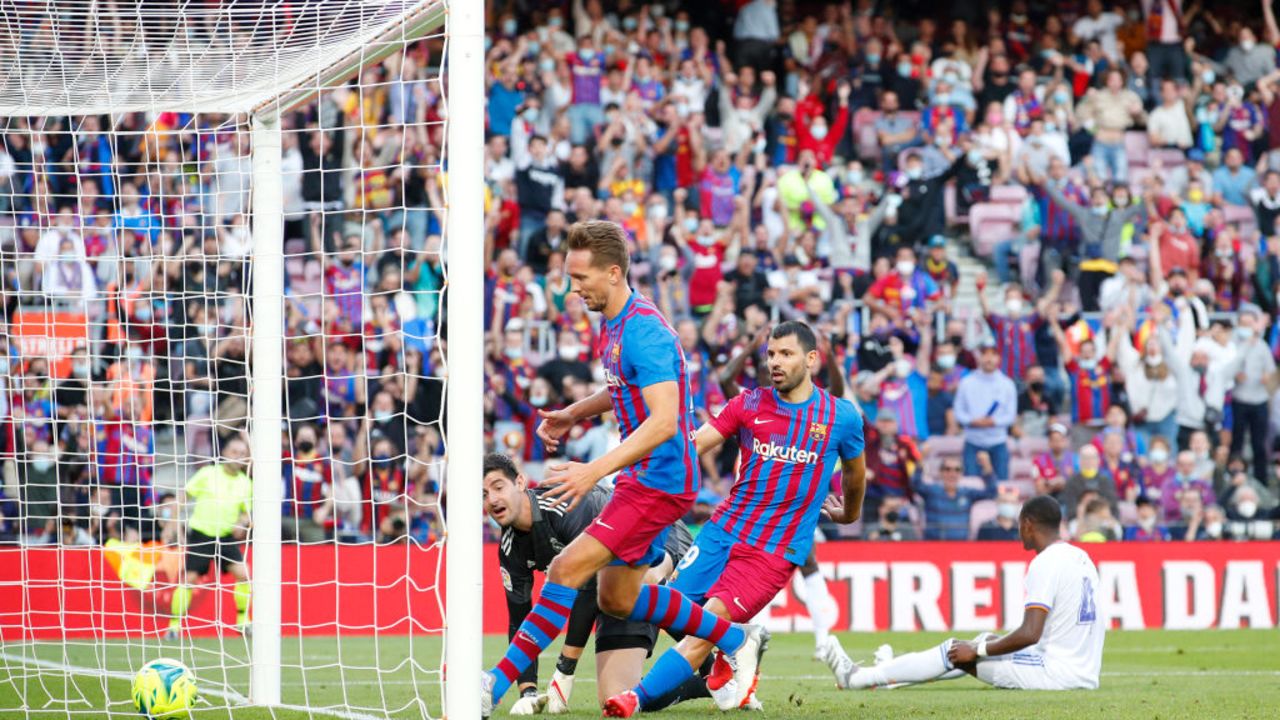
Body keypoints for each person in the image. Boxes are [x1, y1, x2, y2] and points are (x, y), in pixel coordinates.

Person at [482, 221, 765, 716]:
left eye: (581, 278)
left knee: (566, 568)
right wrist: (575, 413)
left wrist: (593, 471)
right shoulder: (614, 324)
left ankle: (491, 687)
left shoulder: (644, 332)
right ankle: (735, 637)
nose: (574, 289)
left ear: (613, 273)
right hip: (643, 477)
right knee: (616, 598)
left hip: (660, 480)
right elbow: (622, 390)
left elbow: (663, 424)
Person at [603, 320, 866, 716]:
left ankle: (634, 698)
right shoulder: (748, 404)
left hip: (773, 550)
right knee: (671, 607)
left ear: (812, 359)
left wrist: (849, 512)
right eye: (771, 354)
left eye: (786, 354)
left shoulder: (840, 417)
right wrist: (641, 457)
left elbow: (855, 473)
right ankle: (737, 647)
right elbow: (696, 445)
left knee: (706, 623)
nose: (775, 362)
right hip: (723, 531)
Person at [481, 453, 694, 714]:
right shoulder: (509, 549)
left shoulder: (563, 504)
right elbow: (519, 620)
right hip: (611, 586)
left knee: (644, 578)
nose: (492, 500)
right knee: (615, 699)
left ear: (521, 482)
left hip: (660, 537)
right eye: (483, 495)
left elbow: (591, 582)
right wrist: (529, 691)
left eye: (498, 487)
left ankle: (712, 646)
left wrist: (565, 669)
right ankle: (710, 681)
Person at [820, 495, 1105, 691]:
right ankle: (894, 675)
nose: (1019, 531)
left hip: (1056, 675)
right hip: (1082, 671)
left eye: (1020, 524)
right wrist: (983, 645)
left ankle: (857, 678)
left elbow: (1030, 633)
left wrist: (977, 651)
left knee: (957, 650)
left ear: (1028, 524)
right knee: (984, 640)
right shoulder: (1080, 557)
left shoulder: (1045, 562)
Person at [167, 436, 253, 639]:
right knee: (189, 580)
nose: (238, 456)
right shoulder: (207, 473)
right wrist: (173, 526)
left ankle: (243, 622)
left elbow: (246, 512)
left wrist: (243, 522)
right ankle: (173, 627)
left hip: (225, 536)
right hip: (202, 534)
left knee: (244, 575)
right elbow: (183, 496)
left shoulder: (246, 483)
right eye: (234, 451)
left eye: (242, 453)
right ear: (224, 453)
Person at [953, 340, 1018, 480]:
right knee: (971, 484)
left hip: (998, 442)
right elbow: (958, 411)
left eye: (993, 354)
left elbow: (1010, 415)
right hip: (973, 442)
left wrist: (992, 422)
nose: (989, 358)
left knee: (1001, 485)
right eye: (985, 354)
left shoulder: (1007, 384)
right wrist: (972, 421)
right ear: (979, 357)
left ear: (999, 358)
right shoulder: (967, 382)